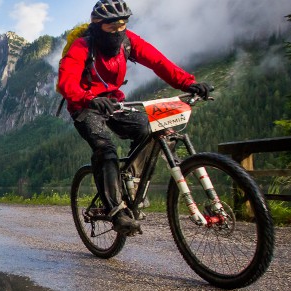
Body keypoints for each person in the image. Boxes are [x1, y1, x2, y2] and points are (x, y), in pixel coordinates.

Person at [58, 0, 212, 235]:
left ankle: (132, 181)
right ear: (98, 26)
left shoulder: (129, 42)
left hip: (114, 102)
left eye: (123, 25)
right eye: (112, 28)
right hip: (84, 105)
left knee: (150, 128)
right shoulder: (82, 47)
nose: (118, 32)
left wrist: (189, 83)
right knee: (105, 149)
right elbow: (66, 82)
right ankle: (116, 211)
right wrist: (88, 98)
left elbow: (159, 62)